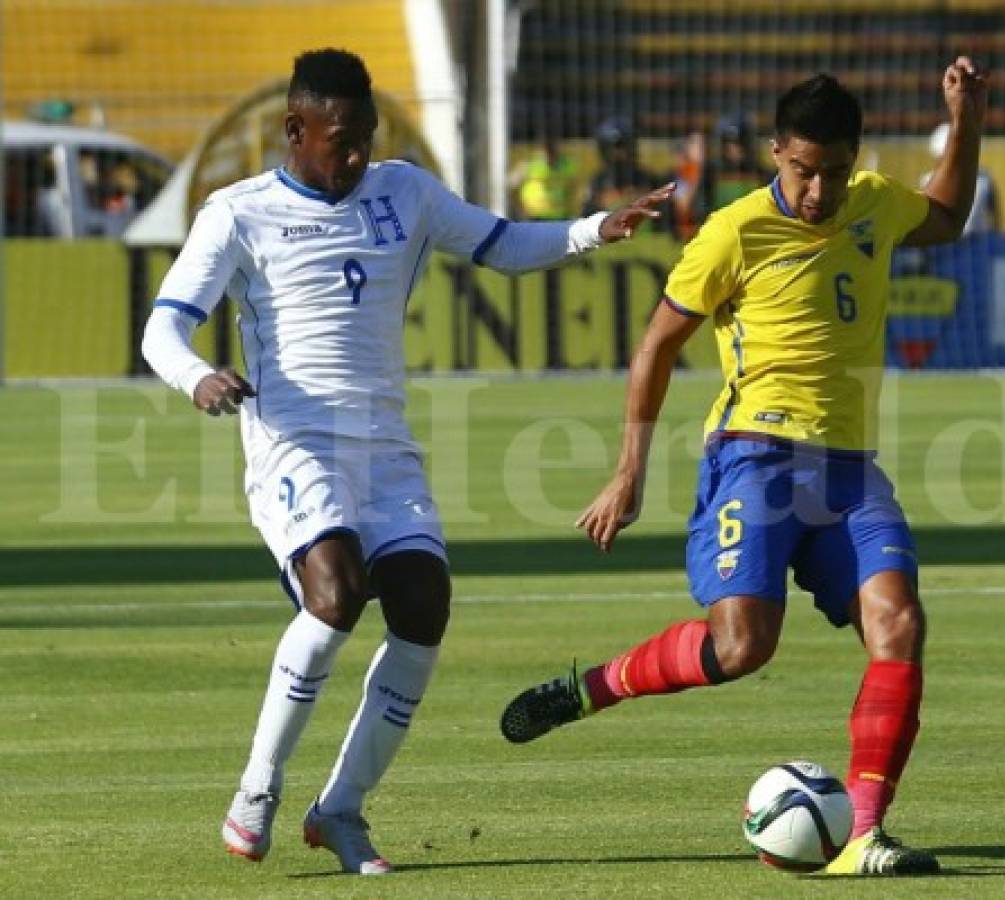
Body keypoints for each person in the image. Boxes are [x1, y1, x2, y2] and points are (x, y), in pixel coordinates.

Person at [141, 48, 671, 875]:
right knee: (337, 593)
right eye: (340, 139)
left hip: (385, 449)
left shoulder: (404, 193)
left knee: (424, 607)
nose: (355, 156)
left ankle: (341, 811)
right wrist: (199, 375)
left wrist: (591, 230)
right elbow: (162, 327)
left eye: (365, 138)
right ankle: (257, 785)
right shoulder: (237, 213)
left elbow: (499, 243)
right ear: (295, 129)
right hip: (295, 441)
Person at [501, 58, 988, 877]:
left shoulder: (872, 204)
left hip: (846, 468)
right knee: (741, 647)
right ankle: (592, 686)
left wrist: (964, 116)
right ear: (774, 153)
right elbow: (656, 345)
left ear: (853, 161)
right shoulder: (730, 232)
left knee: (899, 623)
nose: (816, 192)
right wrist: (628, 471)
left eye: (832, 173)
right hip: (752, 458)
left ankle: (862, 835)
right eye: (801, 171)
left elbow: (943, 217)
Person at [583, 115, 669, 231]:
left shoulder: (649, 180)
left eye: (622, 147)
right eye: (613, 148)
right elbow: (587, 221)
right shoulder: (597, 182)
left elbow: (664, 219)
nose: (618, 153)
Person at [921, 123, 999, 234]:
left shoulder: (984, 180)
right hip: (943, 245)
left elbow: (994, 217)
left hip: (977, 244)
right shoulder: (927, 181)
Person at [697, 112, 772, 220]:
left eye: (742, 141)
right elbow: (701, 208)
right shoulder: (711, 171)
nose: (737, 148)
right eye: (732, 142)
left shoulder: (761, 173)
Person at [513, 135, 580, 221]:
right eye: (546, 151)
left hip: (560, 216)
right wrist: (520, 209)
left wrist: (572, 209)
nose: (549, 155)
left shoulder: (567, 165)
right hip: (534, 217)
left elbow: (574, 189)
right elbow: (511, 188)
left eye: (552, 151)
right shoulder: (528, 165)